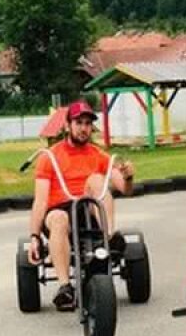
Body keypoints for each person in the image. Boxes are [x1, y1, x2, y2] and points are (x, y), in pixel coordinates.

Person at [28, 100, 134, 310]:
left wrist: (128, 177)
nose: (84, 128)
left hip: (89, 209)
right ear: (68, 125)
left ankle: (109, 238)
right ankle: (65, 287)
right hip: (59, 211)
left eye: (87, 123)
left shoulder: (98, 155)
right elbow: (40, 201)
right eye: (79, 123)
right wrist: (34, 237)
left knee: (96, 180)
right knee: (59, 218)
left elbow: (124, 189)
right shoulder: (50, 157)